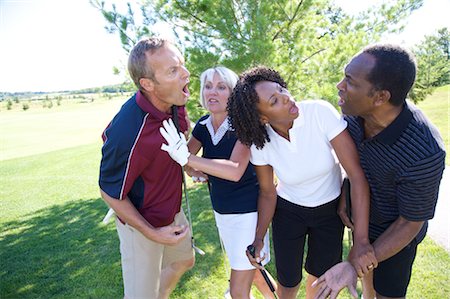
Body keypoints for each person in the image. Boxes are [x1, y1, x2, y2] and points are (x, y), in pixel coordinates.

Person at [224, 66, 375, 299]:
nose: (286, 97)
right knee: (288, 283)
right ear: (262, 118)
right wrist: (258, 239)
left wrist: (362, 240)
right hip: (289, 212)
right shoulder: (261, 142)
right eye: (274, 100)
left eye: (281, 89)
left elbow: (356, 175)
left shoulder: (319, 113)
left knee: (321, 282)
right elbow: (267, 192)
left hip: (329, 211)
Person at [313, 44, 446, 299]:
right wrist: (345, 194)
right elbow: (352, 167)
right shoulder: (351, 116)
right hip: (361, 220)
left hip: (396, 231)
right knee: (367, 291)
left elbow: (409, 222)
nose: (340, 86)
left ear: (380, 97)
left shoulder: (425, 151)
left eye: (350, 82)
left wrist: (353, 264)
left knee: (386, 294)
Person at [161, 66, 277, 299]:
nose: (212, 92)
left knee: (238, 290)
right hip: (222, 212)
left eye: (221, 87)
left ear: (233, 93)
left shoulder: (243, 125)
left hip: (248, 214)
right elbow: (184, 159)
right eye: (208, 86)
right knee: (254, 273)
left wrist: (191, 160)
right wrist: (194, 168)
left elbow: (235, 170)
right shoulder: (203, 125)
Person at [98, 37, 194, 299]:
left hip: (171, 214)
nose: (185, 74)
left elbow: (175, 147)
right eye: (173, 71)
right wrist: (152, 233)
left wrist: (192, 166)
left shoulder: (175, 103)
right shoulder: (128, 130)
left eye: (181, 65)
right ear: (148, 84)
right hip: (140, 225)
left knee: (184, 260)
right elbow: (108, 191)